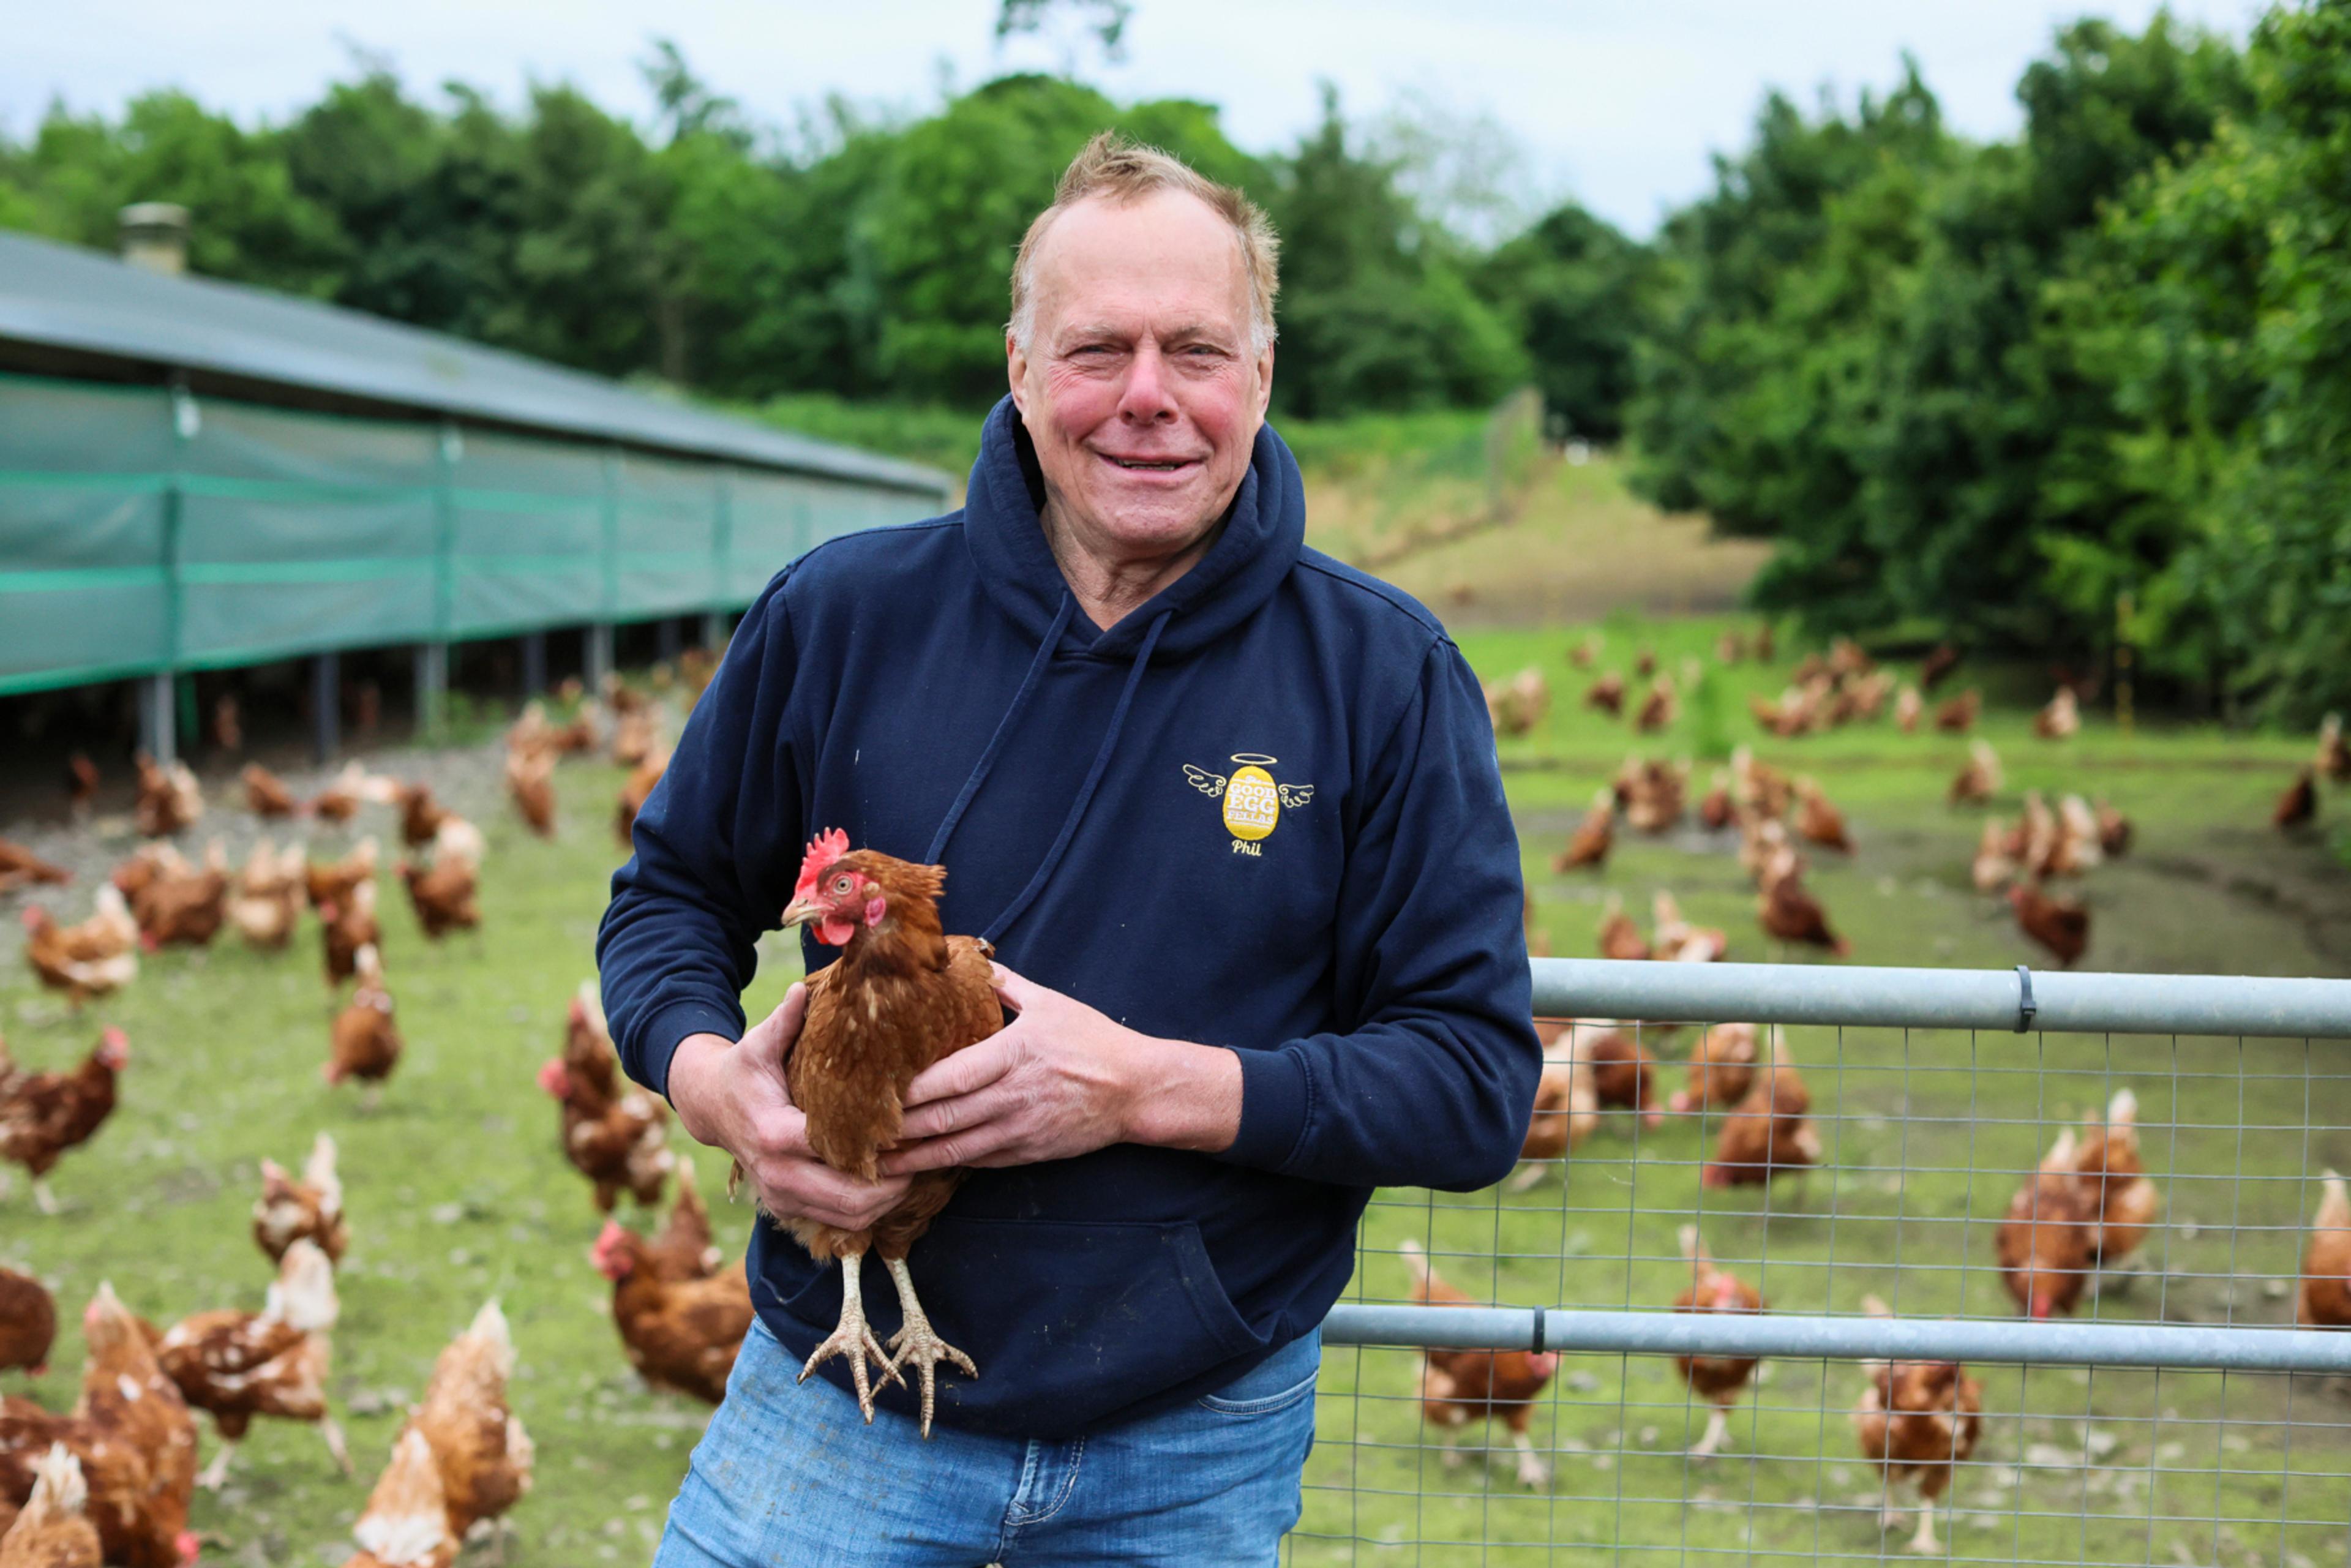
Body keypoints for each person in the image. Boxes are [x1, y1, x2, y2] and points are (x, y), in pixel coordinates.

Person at [598, 132, 1539, 1566]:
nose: (1148, 395)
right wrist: (711, 1081)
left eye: (1196, 351)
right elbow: (668, 899)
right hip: (841, 1398)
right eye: (1099, 349)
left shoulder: (1383, 676)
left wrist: (1146, 1089)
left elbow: (1471, 1085)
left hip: (1193, 1433)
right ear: (1023, 371)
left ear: (1261, 377)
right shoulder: (842, 617)